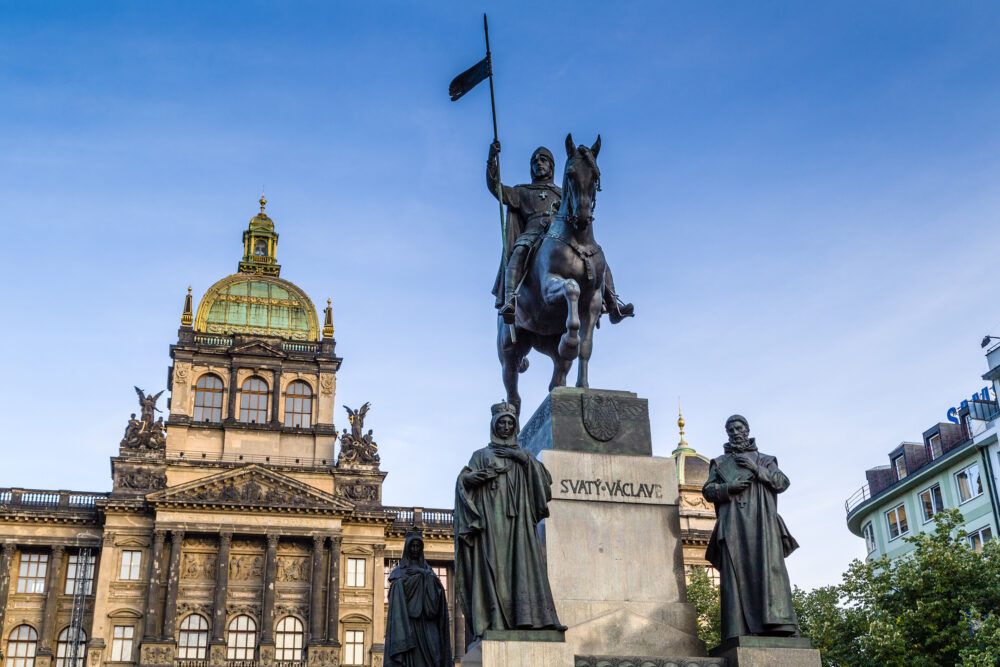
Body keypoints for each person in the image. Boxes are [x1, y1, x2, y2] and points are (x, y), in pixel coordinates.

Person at [454, 401, 564, 647]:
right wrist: (472, 478)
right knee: (495, 568)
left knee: (523, 567)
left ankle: (528, 618)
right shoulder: (481, 455)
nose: (505, 427)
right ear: (493, 425)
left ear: (514, 427)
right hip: (492, 525)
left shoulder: (523, 455)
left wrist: (523, 458)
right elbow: (463, 481)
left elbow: (545, 484)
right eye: (501, 422)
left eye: (509, 423)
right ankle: (495, 620)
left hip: (519, 525)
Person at [488, 141, 633, 325]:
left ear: (551, 166)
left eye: (543, 160)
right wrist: (492, 160)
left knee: (595, 254)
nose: (539, 164)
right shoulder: (522, 191)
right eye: (535, 161)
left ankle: (613, 305)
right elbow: (496, 189)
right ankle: (510, 300)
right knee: (519, 251)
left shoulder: (562, 192)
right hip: (533, 233)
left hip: (560, 234)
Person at [702, 415, 800, 641]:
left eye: (739, 427)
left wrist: (756, 470)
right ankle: (739, 630)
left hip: (762, 525)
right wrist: (729, 487)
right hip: (734, 525)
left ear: (747, 430)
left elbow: (782, 483)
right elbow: (708, 491)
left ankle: (777, 626)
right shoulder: (720, 463)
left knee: (769, 572)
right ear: (727, 433)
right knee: (735, 576)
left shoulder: (765, 459)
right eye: (731, 428)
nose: (736, 431)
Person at [384, 533, 452, 666]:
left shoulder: (429, 571)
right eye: (412, 546)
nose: (415, 549)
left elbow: (438, 597)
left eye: (418, 546)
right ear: (407, 548)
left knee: (435, 657)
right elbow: (393, 593)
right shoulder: (399, 571)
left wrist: (424, 575)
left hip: (427, 622)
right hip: (409, 624)